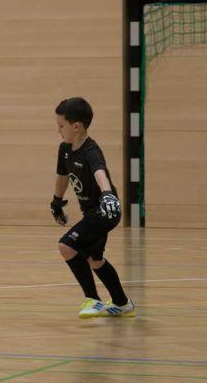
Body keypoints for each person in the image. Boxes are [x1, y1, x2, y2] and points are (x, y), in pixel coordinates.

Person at [51, 97, 135, 318]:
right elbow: (62, 176)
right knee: (95, 260)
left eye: (61, 126)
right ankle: (122, 303)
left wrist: (107, 195)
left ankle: (93, 299)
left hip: (105, 210)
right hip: (92, 212)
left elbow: (100, 173)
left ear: (76, 126)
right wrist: (57, 201)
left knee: (66, 246)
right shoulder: (65, 149)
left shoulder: (91, 150)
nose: (58, 130)